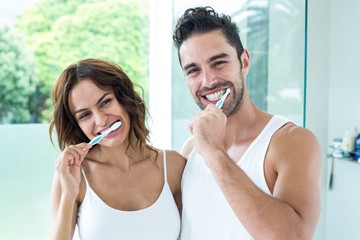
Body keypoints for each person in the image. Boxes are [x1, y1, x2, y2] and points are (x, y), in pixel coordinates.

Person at [173, 6, 321, 240]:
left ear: (244, 62)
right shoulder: (191, 149)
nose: (208, 80)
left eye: (219, 63)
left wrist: (213, 151)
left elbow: (294, 237)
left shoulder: (291, 142)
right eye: (193, 70)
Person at [49, 58, 186, 240]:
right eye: (85, 115)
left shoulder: (174, 165)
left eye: (105, 102)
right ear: (77, 125)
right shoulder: (73, 175)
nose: (101, 120)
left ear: (124, 98)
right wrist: (69, 195)